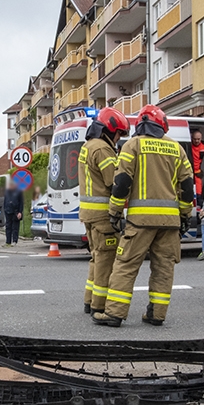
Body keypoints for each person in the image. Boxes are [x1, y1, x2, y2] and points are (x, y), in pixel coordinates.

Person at [92, 105, 196, 328]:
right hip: (170, 223)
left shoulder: (133, 145)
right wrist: (186, 214)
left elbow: (121, 183)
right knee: (164, 267)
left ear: (140, 124)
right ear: (162, 125)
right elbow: (188, 186)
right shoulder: (177, 149)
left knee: (126, 264)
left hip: (140, 221)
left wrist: (115, 211)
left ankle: (114, 314)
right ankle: (156, 314)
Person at [79, 107, 128, 314]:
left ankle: (89, 301)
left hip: (89, 215)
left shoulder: (88, 146)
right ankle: (100, 305)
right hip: (103, 216)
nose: (118, 139)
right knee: (106, 261)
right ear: (110, 130)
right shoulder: (103, 149)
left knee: (96, 258)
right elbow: (113, 181)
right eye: (119, 134)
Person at [2, 177, 23, 247]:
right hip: (8, 211)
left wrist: (20, 212)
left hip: (16, 212)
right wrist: (5, 209)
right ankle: (8, 241)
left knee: (15, 227)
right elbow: (5, 201)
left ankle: (14, 241)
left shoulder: (19, 191)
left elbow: (21, 202)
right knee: (8, 227)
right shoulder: (7, 192)